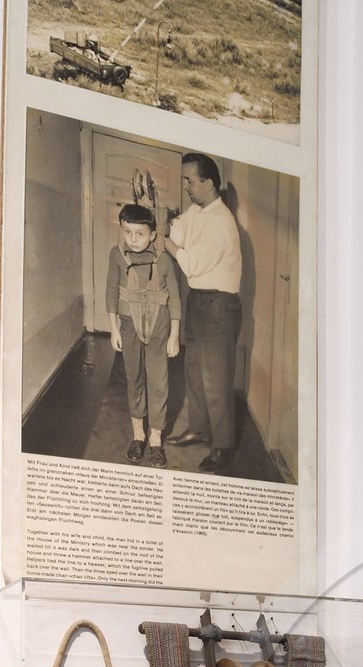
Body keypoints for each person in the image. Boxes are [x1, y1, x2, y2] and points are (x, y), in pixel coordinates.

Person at [163, 152, 242, 475]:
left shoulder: (221, 221)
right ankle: (198, 429)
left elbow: (191, 263)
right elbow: (179, 232)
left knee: (216, 381)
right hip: (197, 300)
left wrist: (166, 243)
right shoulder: (198, 210)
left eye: (190, 181)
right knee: (194, 371)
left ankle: (223, 446)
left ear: (209, 183)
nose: (186, 187)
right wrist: (169, 228)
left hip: (218, 306)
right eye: (185, 180)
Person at [105, 203, 180, 467]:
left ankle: (156, 439)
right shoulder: (117, 255)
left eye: (140, 233)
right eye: (127, 232)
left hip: (159, 328)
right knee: (134, 379)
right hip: (128, 326)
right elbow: (111, 293)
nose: (133, 239)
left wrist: (174, 335)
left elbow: (175, 299)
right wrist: (114, 329)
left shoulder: (164, 260)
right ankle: (138, 436)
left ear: (152, 235)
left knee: (159, 382)